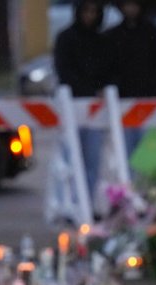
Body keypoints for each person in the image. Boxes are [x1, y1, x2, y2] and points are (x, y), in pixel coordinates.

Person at [54, 0, 114, 201]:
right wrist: (85, 89)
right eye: (86, 11)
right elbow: (64, 71)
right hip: (72, 105)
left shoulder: (102, 41)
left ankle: (88, 201)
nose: (90, 16)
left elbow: (107, 70)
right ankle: (69, 202)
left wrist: (101, 89)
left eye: (94, 11)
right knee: (70, 158)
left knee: (92, 159)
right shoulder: (66, 38)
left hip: (95, 108)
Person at [105, 0, 156, 153]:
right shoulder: (114, 35)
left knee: (150, 151)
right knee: (127, 146)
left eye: (134, 5)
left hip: (149, 98)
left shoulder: (150, 31)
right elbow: (111, 67)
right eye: (127, 5)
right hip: (124, 99)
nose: (130, 9)